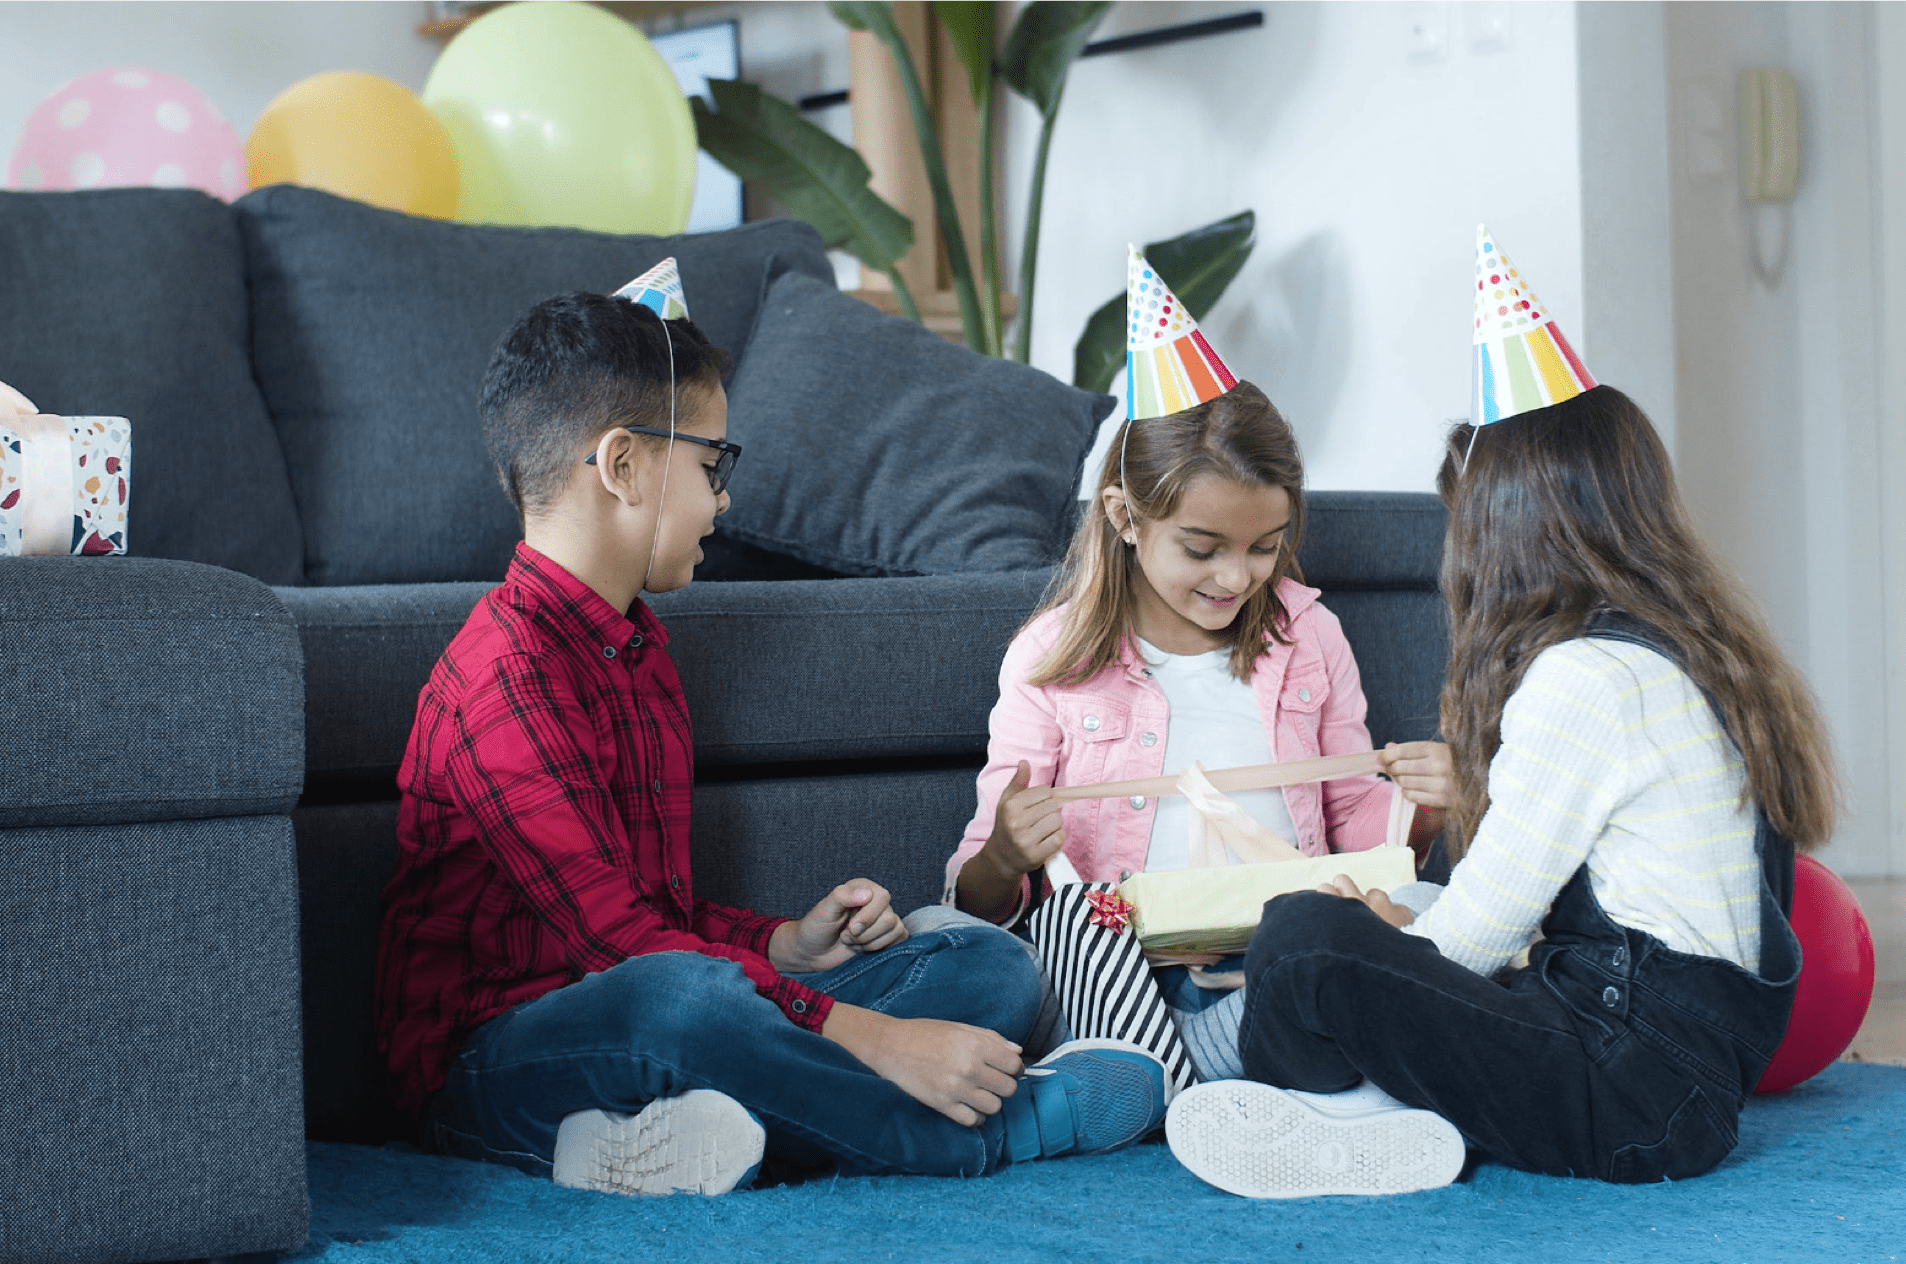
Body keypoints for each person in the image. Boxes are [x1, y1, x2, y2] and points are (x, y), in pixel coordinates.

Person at [373, 260, 1168, 1199]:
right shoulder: (502, 683)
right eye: (711, 467)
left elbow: (655, 909)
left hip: (667, 1005)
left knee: (986, 964)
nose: (722, 501)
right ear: (624, 465)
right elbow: (626, 948)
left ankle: (685, 1141)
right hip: (496, 1065)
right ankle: (988, 1136)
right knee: (682, 1001)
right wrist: (880, 1038)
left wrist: (787, 943)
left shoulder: (637, 650)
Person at [1166, 226, 1835, 1199]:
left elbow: (1482, 931)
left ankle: (1336, 1114)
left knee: (1302, 937)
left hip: (1632, 1088)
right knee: (1396, 919)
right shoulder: (1692, 651)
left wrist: (1382, 935)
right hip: (1679, 1072)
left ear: (1503, 531)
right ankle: (1367, 1112)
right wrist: (1407, 926)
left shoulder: (1583, 679)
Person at [944, 247, 1452, 1084]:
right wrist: (1004, 857)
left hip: (1276, 951)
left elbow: (1361, 825)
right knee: (1062, 932)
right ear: (1125, 517)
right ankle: (1217, 1068)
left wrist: (1421, 814)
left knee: (1433, 920)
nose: (1235, 578)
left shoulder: (1308, 636)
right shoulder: (1050, 657)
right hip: (1127, 970)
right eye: (1202, 548)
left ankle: (1168, 1080)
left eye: (1263, 547)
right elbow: (980, 890)